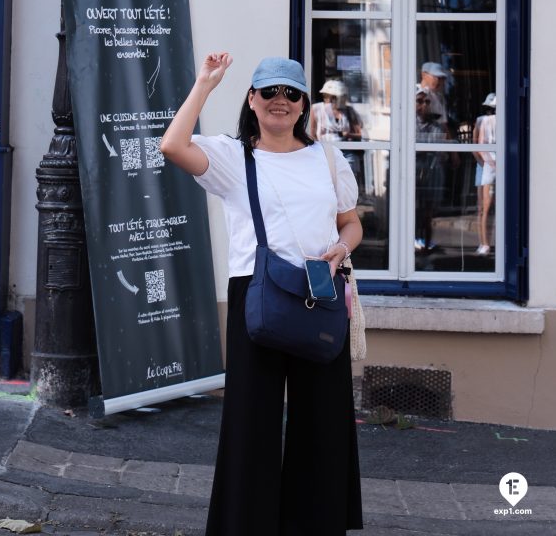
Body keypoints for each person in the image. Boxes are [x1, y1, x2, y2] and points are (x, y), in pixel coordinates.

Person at [161, 53, 364, 536]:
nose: (280, 101)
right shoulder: (233, 157)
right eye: (269, 91)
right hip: (257, 293)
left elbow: (351, 223)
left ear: (304, 105)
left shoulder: (328, 160)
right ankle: (245, 524)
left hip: (319, 290)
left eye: (291, 93)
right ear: (252, 100)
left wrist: (339, 250)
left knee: (323, 418)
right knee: (252, 419)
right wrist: (205, 84)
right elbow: (172, 145)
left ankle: (313, 523)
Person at [414, 83, 446, 252]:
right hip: (414, 172)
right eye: (420, 101)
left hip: (431, 172)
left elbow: (437, 149)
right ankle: (414, 239)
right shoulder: (408, 124)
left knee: (428, 210)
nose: (424, 105)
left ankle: (427, 241)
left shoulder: (436, 125)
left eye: (427, 102)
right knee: (413, 208)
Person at [473, 93, 496, 255]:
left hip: (492, 163)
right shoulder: (481, 121)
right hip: (485, 164)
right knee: (482, 206)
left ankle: (488, 242)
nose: (490, 112)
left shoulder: (494, 121)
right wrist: (484, 162)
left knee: (490, 206)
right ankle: (483, 243)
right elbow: (476, 145)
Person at [311, 78, 363, 144]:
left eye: (334, 97)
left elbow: (360, 134)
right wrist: (319, 149)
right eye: (326, 96)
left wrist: (348, 135)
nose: (329, 100)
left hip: (345, 150)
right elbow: (311, 134)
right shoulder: (316, 108)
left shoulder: (349, 110)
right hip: (324, 149)